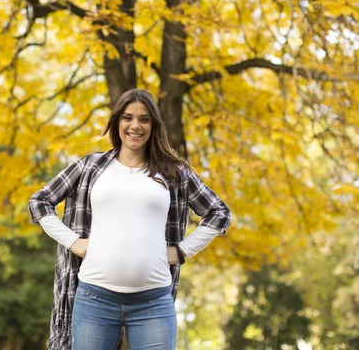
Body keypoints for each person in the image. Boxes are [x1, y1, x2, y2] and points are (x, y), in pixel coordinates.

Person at [28, 89, 231, 350]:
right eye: (128, 118)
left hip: (154, 303)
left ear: (154, 125)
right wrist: (73, 242)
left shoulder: (173, 172)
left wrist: (182, 251)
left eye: (144, 119)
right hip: (94, 298)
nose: (135, 126)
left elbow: (219, 213)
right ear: (117, 122)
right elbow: (40, 202)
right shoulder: (91, 167)